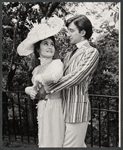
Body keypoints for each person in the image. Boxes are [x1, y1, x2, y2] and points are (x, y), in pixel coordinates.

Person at [45, 15, 100, 147]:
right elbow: (58, 74)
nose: (68, 34)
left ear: (82, 32)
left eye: (71, 30)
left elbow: (76, 77)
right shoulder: (69, 54)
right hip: (62, 108)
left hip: (77, 109)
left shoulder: (91, 52)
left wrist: (49, 87)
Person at [17, 16, 65, 147]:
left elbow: (54, 76)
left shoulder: (56, 63)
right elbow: (33, 88)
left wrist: (39, 80)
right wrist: (30, 90)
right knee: (44, 141)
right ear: (38, 49)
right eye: (46, 44)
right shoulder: (36, 69)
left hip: (55, 106)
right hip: (43, 107)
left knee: (56, 140)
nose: (50, 47)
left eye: (52, 44)